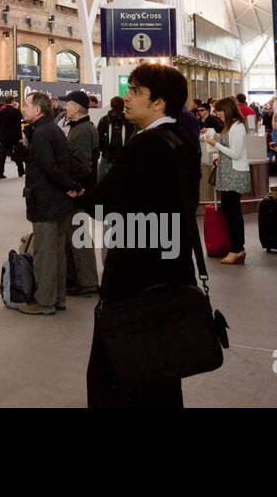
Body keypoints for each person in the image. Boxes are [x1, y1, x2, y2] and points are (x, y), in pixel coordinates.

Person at [74, 62, 196, 408]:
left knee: (120, 366)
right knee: (160, 367)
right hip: (171, 271)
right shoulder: (180, 140)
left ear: (159, 103)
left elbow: (102, 203)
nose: (126, 98)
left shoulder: (146, 146)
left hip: (136, 276)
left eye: (136, 91)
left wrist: (85, 198)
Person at [19, 91, 82, 314]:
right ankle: (57, 298)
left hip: (46, 201)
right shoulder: (53, 129)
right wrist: (72, 186)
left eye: (27, 105)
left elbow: (49, 168)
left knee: (45, 254)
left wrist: (70, 186)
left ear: (38, 110)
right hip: (59, 202)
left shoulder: (42, 133)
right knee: (57, 252)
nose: (23, 109)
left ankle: (44, 302)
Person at [61, 90, 101, 296]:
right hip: (79, 191)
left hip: (79, 192)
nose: (65, 107)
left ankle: (88, 282)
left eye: (67, 104)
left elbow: (82, 165)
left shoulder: (83, 131)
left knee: (79, 236)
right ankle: (77, 279)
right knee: (75, 234)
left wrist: (72, 186)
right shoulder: (81, 128)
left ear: (76, 108)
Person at [205, 98, 250, 264]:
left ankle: (237, 249)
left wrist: (215, 143)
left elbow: (235, 153)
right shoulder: (230, 126)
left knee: (233, 212)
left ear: (227, 110)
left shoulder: (237, 127)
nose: (217, 114)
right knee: (230, 210)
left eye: (219, 111)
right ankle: (237, 248)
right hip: (228, 173)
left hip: (234, 174)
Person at [96, 96, 134, 181]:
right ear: (123, 106)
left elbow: (98, 139)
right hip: (122, 158)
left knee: (102, 186)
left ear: (111, 106)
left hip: (107, 157)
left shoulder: (104, 120)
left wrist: (104, 149)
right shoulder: (129, 121)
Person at [0, 99, 24, 179]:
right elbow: (19, 125)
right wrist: (20, 137)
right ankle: (21, 171)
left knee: (2, 155)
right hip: (14, 137)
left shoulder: (0, 112)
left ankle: (0, 172)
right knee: (17, 154)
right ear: (12, 101)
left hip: (4, 137)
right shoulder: (16, 111)